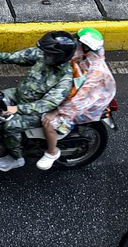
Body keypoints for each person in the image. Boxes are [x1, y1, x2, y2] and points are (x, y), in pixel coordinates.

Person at [0, 30, 77, 171]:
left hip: (36, 111)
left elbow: (47, 104)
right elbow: (24, 56)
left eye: (49, 53)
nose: (44, 54)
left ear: (59, 56)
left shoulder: (65, 79)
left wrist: (17, 109)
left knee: (10, 125)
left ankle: (16, 158)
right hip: (19, 94)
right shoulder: (45, 55)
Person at [36, 27, 116, 171]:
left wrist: (56, 112)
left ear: (86, 47)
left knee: (48, 122)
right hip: (75, 91)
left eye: (78, 42)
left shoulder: (97, 72)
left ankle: (52, 152)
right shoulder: (86, 54)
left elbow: (80, 100)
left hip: (86, 105)